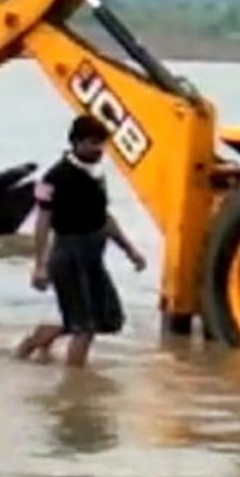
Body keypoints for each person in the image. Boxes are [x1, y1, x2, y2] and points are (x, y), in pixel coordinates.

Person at [15, 114, 147, 368]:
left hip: (93, 256)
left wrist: (130, 250)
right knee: (85, 328)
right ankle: (75, 383)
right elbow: (42, 221)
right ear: (76, 143)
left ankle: (41, 336)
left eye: (102, 143)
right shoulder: (55, 177)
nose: (99, 149)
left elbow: (103, 218)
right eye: (93, 143)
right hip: (68, 255)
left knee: (109, 319)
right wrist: (40, 265)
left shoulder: (96, 175)